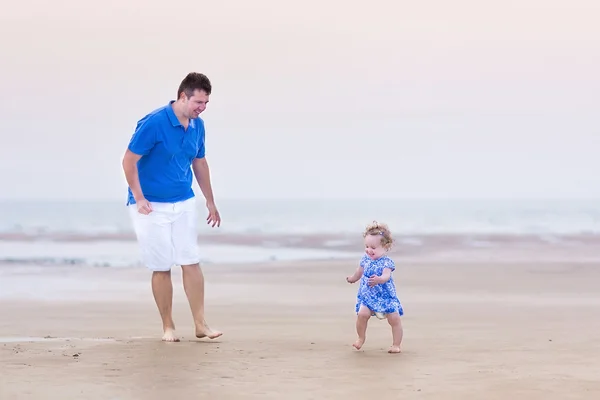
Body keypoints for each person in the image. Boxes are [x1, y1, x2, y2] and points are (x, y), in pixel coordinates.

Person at [122, 72, 223, 343]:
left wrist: (210, 202)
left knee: (190, 260)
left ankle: (201, 324)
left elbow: (199, 163)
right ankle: (168, 326)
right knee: (161, 264)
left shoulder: (197, 126)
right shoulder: (154, 123)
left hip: (183, 200)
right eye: (198, 102)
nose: (201, 108)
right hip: (150, 205)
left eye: (205, 104)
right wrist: (139, 197)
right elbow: (129, 161)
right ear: (182, 96)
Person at [346, 221, 404, 353]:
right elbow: (359, 272)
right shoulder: (365, 259)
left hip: (385, 296)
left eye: (373, 247)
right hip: (368, 295)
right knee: (362, 314)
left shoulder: (386, 262)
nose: (369, 250)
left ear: (385, 246)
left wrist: (379, 279)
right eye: (367, 246)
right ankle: (360, 338)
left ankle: (396, 344)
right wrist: (353, 278)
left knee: (394, 319)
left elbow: (386, 276)